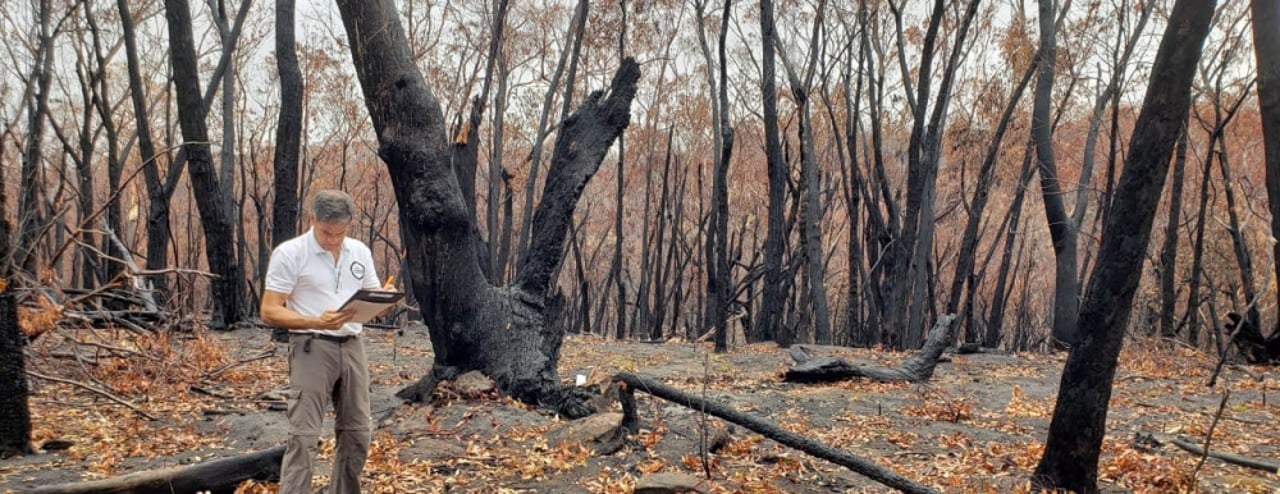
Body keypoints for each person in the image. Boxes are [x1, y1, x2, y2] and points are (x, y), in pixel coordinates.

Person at [261, 189, 386, 493]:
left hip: (352, 345)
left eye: (339, 233)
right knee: (303, 436)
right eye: (326, 232)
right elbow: (269, 310)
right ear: (312, 218)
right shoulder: (290, 253)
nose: (332, 239)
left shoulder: (359, 252)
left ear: (349, 225)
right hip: (311, 345)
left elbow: (371, 292)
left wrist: (383, 297)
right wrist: (314, 320)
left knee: (357, 432)